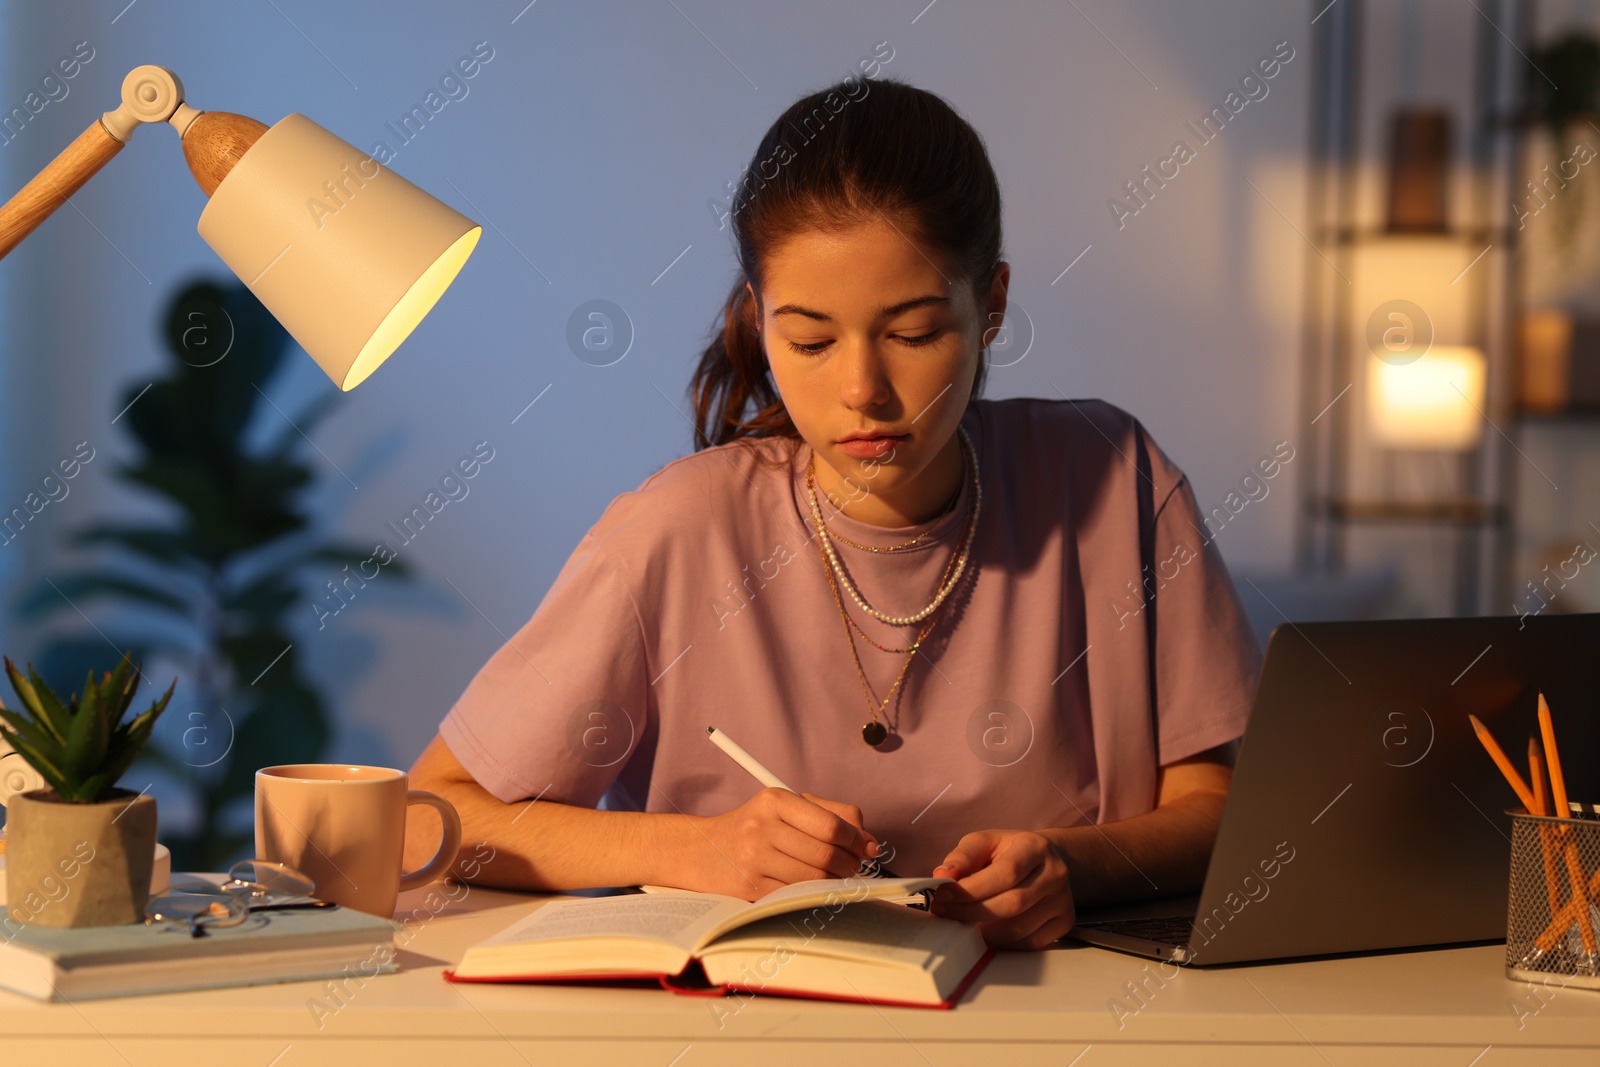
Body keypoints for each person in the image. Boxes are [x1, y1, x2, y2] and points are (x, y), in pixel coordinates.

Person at [406, 76, 1261, 951]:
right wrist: (698, 847)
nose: (862, 393)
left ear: (992, 305)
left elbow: (1216, 807)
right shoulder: (679, 530)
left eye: (915, 332)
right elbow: (425, 820)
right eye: (810, 341)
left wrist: (1075, 865)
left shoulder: (1112, 479)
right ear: (760, 319)